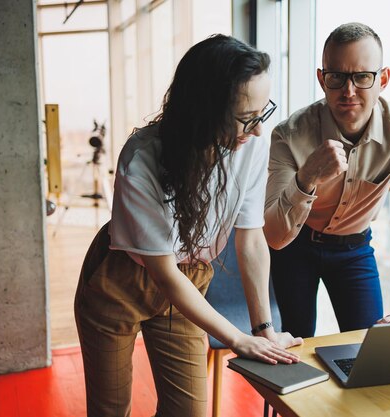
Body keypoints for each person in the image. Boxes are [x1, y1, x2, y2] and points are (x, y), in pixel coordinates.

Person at [74, 34, 302, 417]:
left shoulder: (251, 143)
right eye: (246, 118)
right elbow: (163, 273)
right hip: (120, 279)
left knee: (190, 411)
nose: (259, 129)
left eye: (263, 112)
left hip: (190, 278)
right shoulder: (142, 158)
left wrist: (263, 330)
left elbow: (250, 240)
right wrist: (236, 338)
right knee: (110, 408)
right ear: (204, 110)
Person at [264, 22, 390, 338]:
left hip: (355, 249)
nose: (349, 91)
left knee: (368, 347)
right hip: (296, 248)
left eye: (362, 77)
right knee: (296, 347)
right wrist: (307, 178)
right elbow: (274, 236)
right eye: (337, 78)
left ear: (382, 79)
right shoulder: (288, 135)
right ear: (322, 79)